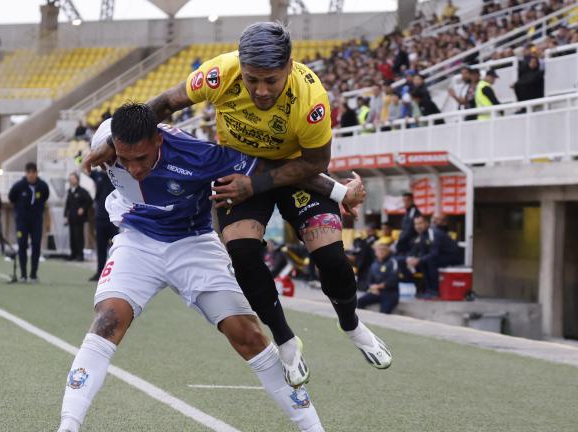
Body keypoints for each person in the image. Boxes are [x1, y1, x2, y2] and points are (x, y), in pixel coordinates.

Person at [35, 103, 369, 432]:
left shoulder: (199, 155)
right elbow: (121, 141)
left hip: (193, 244)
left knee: (248, 335)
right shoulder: (106, 139)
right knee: (108, 319)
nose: (132, 168)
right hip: (138, 241)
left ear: (158, 139)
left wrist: (339, 193)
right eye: (124, 158)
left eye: (142, 158)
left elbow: (279, 171)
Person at [84, 22, 388, 387]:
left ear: (289, 67)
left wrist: (258, 184)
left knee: (331, 257)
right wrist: (118, 141)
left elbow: (314, 164)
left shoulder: (311, 101)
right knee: (241, 251)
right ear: (239, 68)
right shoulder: (219, 74)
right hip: (235, 168)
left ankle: (352, 325)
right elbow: (162, 104)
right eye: (251, 79)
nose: (260, 90)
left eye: (270, 81)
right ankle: (286, 339)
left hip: (294, 174)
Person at [8, 162, 49, 282]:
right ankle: (23, 274)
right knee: (22, 245)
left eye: (33, 172)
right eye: (29, 172)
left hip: (36, 220)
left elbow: (45, 196)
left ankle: (33, 274)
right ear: (26, 173)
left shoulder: (42, 186)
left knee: (36, 245)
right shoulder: (19, 186)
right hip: (22, 221)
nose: (31, 175)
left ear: (37, 173)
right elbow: (12, 198)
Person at [406, 214, 463, 298]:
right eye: (416, 224)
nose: (418, 226)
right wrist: (413, 259)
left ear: (427, 223)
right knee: (422, 262)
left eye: (420, 223)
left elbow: (434, 254)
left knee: (430, 261)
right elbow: (422, 253)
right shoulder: (422, 235)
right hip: (440, 256)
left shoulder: (434, 233)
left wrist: (419, 260)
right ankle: (428, 290)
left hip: (453, 257)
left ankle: (435, 291)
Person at [88, 168, 118, 281]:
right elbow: (83, 168)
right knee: (100, 247)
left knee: (117, 247)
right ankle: (100, 272)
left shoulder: (117, 174)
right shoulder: (97, 175)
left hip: (114, 218)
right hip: (100, 217)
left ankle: (116, 273)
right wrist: (80, 157)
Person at [357, 242, 400, 314]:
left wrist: (378, 286)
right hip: (376, 292)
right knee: (358, 302)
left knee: (384, 311)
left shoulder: (393, 262)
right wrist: (371, 287)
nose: (381, 251)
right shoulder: (374, 264)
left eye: (383, 249)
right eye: (379, 250)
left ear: (388, 251)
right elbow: (369, 280)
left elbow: (393, 280)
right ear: (375, 252)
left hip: (390, 294)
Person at [64, 172, 92, 262]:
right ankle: (73, 254)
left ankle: (80, 255)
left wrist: (83, 208)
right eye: (70, 179)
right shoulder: (69, 191)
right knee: (72, 237)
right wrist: (66, 215)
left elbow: (89, 200)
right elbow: (67, 204)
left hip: (79, 219)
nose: (71, 180)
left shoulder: (82, 191)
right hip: (71, 218)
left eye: (73, 178)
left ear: (77, 179)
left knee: (79, 237)